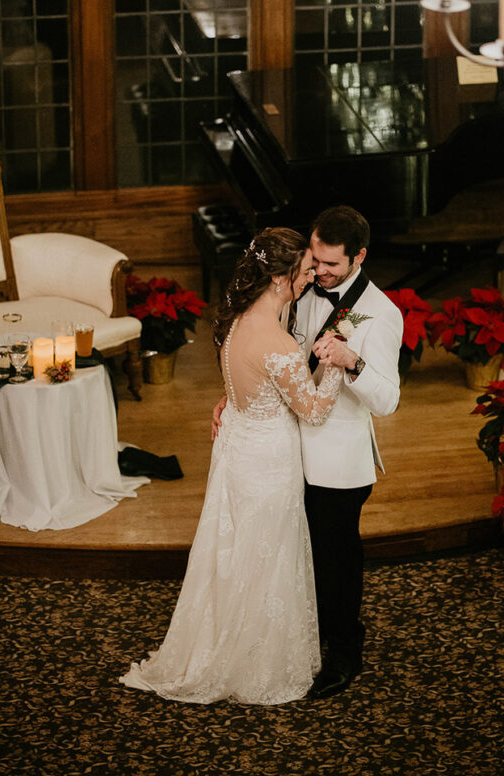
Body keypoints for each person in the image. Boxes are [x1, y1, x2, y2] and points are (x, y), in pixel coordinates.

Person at [120, 227, 345, 705]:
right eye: (305, 271)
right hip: (267, 459)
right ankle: (255, 664)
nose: (311, 278)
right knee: (269, 557)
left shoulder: (237, 322)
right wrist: (337, 365)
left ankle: (225, 645)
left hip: (238, 447)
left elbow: (245, 382)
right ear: (281, 277)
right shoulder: (280, 345)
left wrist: (228, 399)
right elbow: (315, 411)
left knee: (234, 554)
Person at [297, 206, 403, 699]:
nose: (319, 272)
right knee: (298, 552)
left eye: (331, 266)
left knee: (336, 562)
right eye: (315, 260)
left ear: (359, 256)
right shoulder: (302, 289)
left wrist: (352, 360)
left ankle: (343, 653)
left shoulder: (381, 313)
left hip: (338, 460)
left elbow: (387, 400)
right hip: (288, 448)